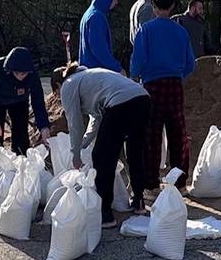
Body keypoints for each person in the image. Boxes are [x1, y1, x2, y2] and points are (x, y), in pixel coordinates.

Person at [52, 63, 150, 223]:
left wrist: (75, 154)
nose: (59, 98)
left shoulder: (68, 85)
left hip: (120, 104)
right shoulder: (90, 76)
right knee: (134, 152)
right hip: (143, 99)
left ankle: (105, 213)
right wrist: (82, 145)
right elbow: (96, 120)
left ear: (58, 85)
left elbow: (75, 124)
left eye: (57, 94)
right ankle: (139, 202)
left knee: (101, 157)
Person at [129, 0, 196, 191]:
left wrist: (135, 78)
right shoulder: (181, 31)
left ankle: (151, 183)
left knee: (151, 135)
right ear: (173, 5)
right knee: (178, 134)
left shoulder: (145, 30)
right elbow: (190, 64)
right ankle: (179, 183)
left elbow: (137, 62)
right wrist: (177, 75)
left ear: (153, 5)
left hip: (151, 86)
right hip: (174, 85)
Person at [0, 47, 49, 154]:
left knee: (21, 136)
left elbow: (38, 101)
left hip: (19, 102)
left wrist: (43, 126)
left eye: (24, 73)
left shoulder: (32, 74)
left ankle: (21, 162)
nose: (21, 76)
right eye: (17, 73)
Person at [78, 0, 123, 71]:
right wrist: (116, 67)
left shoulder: (89, 13)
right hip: (97, 74)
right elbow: (99, 49)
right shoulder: (96, 16)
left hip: (88, 71)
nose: (116, 2)